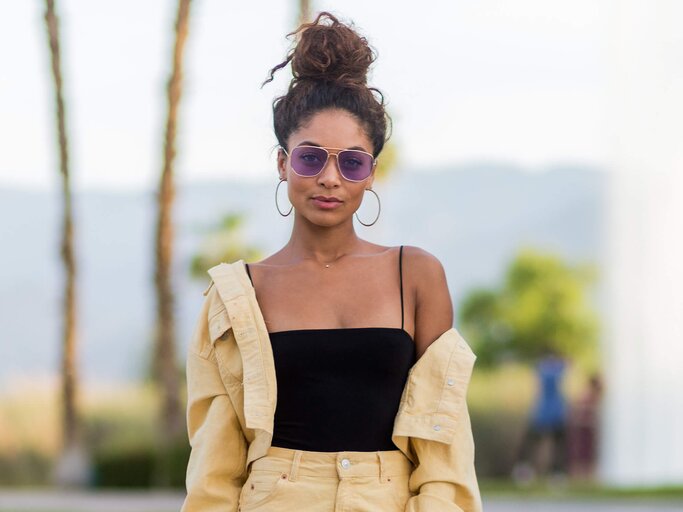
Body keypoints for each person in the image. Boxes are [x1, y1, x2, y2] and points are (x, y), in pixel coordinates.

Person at [181, 12, 481, 512]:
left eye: (352, 162)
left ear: (371, 174)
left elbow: (444, 450)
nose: (330, 177)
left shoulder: (417, 277)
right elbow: (214, 472)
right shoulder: (237, 296)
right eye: (310, 157)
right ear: (283, 163)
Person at [512, 349, 568, 485]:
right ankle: (553, 473)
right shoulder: (558, 369)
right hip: (550, 411)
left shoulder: (541, 368)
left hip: (546, 411)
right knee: (554, 446)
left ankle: (550, 473)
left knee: (550, 445)